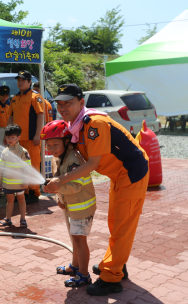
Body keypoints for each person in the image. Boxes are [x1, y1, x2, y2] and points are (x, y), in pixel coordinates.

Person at [44, 83, 149, 296]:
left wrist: (62, 180)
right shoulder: (76, 125)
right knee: (115, 222)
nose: (63, 108)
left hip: (131, 173)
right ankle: (118, 263)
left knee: (122, 226)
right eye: (60, 104)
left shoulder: (94, 124)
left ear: (81, 103)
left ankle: (111, 277)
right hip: (118, 175)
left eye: (68, 103)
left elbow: (91, 164)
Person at [42, 120, 96, 287]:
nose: (51, 149)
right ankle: (75, 266)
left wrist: (58, 189)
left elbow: (75, 185)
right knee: (74, 239)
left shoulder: (73, 159)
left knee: (80, 241)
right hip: (71, 207)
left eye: (55, 144)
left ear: (67, 141)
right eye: (48, 145)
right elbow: (59, 181)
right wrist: (59, 198)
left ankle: (84, 275)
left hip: (82, 207)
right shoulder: (57, 158)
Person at [7, 70, 44, 203]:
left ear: (29, 82)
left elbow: (41, 115)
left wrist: (38, 135)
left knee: (33, 164)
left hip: (31, 139)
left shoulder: (35, 97)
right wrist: (8, 135)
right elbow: (10, 116)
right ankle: (23, 191)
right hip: (17, 140)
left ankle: (34, 192)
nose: (20, 83)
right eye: (19, 80)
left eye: (23, 80)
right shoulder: (14, 98)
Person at [0, 125, 32, 228]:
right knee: (10, 200)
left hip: (20, 184)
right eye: (8, 137)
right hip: (7, 184)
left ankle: (23, 219)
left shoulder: (23, 152)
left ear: (18, 138)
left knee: (21, 200)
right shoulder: (4, 152)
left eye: (12, 137)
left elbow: (27, 168)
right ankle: (8, 219)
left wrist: (26, 181)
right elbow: (0, 167)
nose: (10, 139)